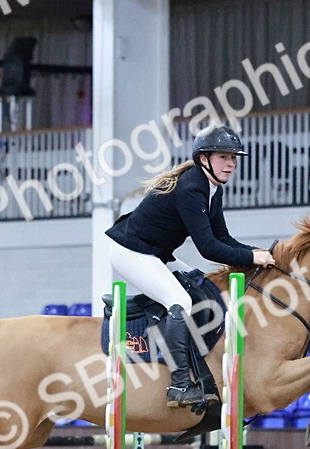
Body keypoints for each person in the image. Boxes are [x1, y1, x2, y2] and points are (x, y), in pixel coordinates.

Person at [105, 125, 276, 409]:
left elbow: (223, 238)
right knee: (180, 301)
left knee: (202, 288)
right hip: (130, 252)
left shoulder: (212, 188)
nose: (231, 164)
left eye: (234, 158)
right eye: (224, 157)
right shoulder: (191, 188)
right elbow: (207, 248)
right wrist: (251, 259)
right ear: (204, 159)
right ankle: (179, 384)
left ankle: (198, 369)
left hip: (156, 252)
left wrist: (256, 252)